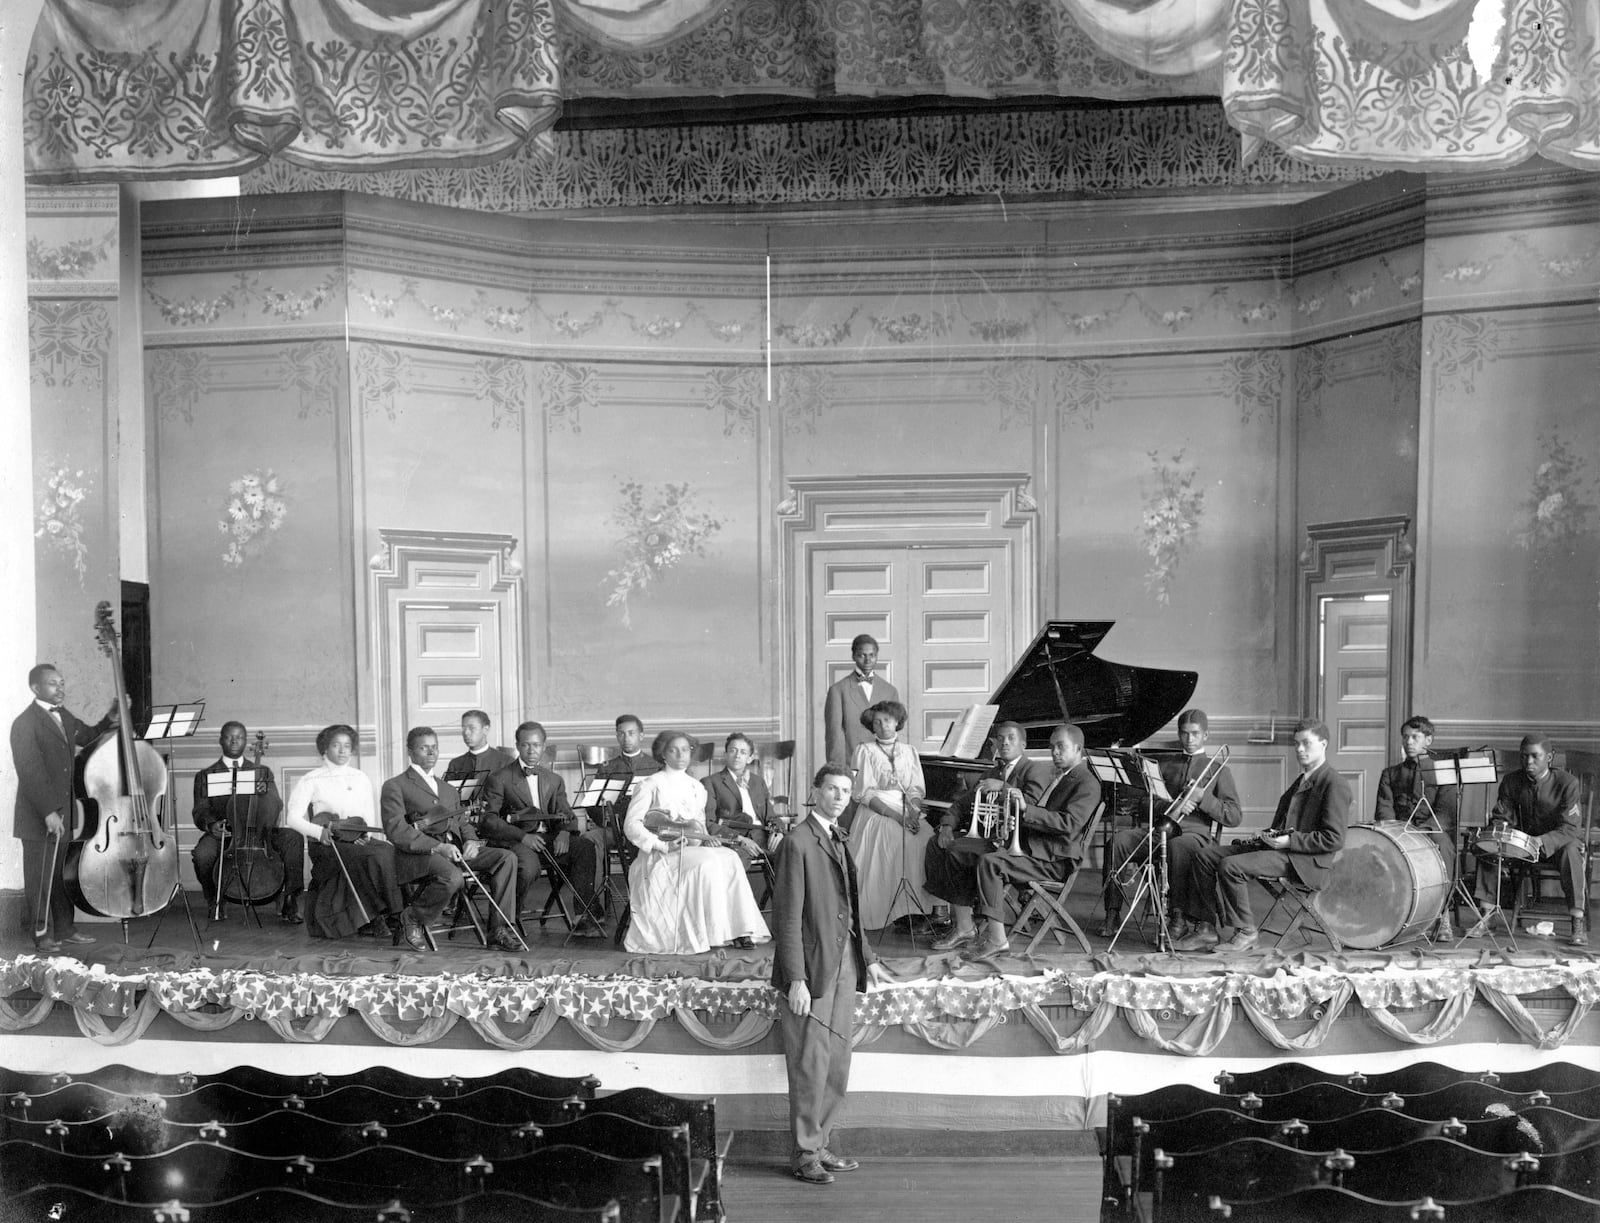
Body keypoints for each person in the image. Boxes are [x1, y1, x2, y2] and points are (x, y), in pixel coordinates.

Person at [771, 763, 891, 1185]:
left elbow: (850, 912)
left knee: (837, 1061)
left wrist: (869, 958)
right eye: (832, 789)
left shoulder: (839, 837)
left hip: (844, 965)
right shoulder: (797, 842)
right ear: (815, 792)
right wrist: (796, 979)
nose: (840, 797)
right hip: (812, 969)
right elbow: (786, 919)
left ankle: (821, 1144)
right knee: (810, 1062)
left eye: (846, 790)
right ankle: (805, 1152)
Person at [1176, 719, 1349, 954]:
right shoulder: (1302, 780)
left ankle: (1246, 932)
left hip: (1306, 862)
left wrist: (1289, 841)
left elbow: (1333, 839)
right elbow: (1287, 824)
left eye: (1306, 743)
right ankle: (1205, 929)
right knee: (1204, 856)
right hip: (1283, 850)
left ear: (1324, 744)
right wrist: (1268, 835)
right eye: (1296, 744)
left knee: (1231, 866)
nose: (1299, 749)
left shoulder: (1334, 783)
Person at [928, 724, 1100, 956]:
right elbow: (1045, 819)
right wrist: (1019, 822)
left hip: (1054, 858)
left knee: (990, 862)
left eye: (1061, 747)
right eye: (1052, 747)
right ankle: (968, 928)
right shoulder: (1064, 777)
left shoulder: (1086, 782)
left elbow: (1068, 824)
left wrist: (1025, 811)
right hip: (1039, 848)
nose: (1055, 752)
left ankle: (997, 941)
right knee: (970, 854)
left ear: (1078, 749)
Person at [622, 730, 769, 955]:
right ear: (663, 754)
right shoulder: (650, 784)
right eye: (674, 749)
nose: (681, 754)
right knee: (707, 863)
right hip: (661, 855)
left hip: (690, 850)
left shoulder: (696, 787)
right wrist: (661, 845)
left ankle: (739, 929)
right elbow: (631, 825)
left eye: (685, 749)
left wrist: (705, 840)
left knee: (729, 857)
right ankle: (708, 933)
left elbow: (698, 825)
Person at [1102, 709, 1241, 942]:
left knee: (1178, 845)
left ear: (1206, 735)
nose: (1189, 739)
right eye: (1184, 733)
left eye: (1195, 734)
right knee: (1118, 842)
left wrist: (1201, 799)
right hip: (1160, 830)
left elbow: (1234, 816)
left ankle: (1177, 918)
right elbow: (1144, 802)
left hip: (1194, 835)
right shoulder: (1164, 766)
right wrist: (1171, 807)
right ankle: (1112, 912)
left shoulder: (1219, 770)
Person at [380, 727, 522, 952]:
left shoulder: (447, 789)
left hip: (454, 851)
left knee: (506, 858)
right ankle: (413, 916)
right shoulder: (395, 785)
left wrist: (471, 841)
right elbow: (396, 830)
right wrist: (437, 847)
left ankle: (499, 930)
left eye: (434, 747)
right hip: (418, 855)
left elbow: (462, 822)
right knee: (452, 876)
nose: (431, 752)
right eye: (423, 747)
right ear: (410, 751)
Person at [10, 663, 114, 954]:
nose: (61, 688)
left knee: (58, 876)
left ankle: (66, 929)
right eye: (54, 684)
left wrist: (110, 718)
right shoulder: (24, 723)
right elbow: (30, 771)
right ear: (36, 688)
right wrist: (48, 812)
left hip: (63, 813)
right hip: (38, 816)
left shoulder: (63, 715)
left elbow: (87, 735)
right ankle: (41, 934)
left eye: (62, 683)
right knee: (40, 878)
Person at [926, 721, 1052, 953]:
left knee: (958, 850)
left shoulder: (1034, 769)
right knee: (938, 844)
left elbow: (1030, 805)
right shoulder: (992, 771)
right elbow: (962, 804)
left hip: (1018, 844)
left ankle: (965, 926)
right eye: (1001, 738)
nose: (1005, 743)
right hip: (990, 838)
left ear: (1023, 744)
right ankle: (961, 924)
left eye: (1011, 738)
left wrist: (1002, 787)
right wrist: (946, 825)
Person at [283, 724, 412, 945]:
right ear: (325, 748)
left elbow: (367, 815)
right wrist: (319, 832)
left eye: (347, 746)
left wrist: (367, 835)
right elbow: (292, 818)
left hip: (357, 837)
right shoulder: (311, 779)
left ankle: (401, 914)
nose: (343, 751)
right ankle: (387, 914)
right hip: (327, 843)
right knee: (375, 857)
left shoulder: (360, 777)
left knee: (389, 851)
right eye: (336, 745)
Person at [480, 721, 602, 936]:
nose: (531, 750)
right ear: (518, 746)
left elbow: (567, 814)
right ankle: (507, 923)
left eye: (536, 745)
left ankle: (583, 918)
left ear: (544, 747)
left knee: (584, 847)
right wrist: (522, 836)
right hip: (516, 841)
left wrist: (564, 832)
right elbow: (488, 820)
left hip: (548, 839)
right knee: (528, 867)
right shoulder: (499, 778)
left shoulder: (553, 779)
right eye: (526, 745)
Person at [1467, 733, 1586, 947]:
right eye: (1524, 757)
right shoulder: (1512, 781)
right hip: (1521, 845)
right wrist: (1500, 832)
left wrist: (1543, 841)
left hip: (1556, 843)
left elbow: (1570, 827)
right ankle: (1487, 915)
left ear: (1549, 757)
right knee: (1488, 847)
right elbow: (1502, 816)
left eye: (1535, 756)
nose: (1528, 762)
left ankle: (1577, 920)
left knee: (1571, 850)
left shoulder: (1567, 783)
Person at [191, 720, 306, 925]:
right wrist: (211, 825)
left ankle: (289, 898)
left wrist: (265, 795)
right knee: (202, 854)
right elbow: (200, 809)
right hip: (225, 833)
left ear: (246, 742)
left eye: (240, 737)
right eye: (229, 736)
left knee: (293, 838)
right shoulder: (206, 775)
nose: (235, 741)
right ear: (221, 740)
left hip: (259, 832)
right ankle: (214, 900)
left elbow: (276, 805)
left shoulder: (262, 772)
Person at [846, 700, 931, 931]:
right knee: (894, 838)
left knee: (925, 838)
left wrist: (913, 809)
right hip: (877, 808)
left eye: (888, 720)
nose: (883, 725)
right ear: (872, 727)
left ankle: (917, 911)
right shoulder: (865, 751)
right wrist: (897, 817)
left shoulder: (910, 751)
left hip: (905, 807)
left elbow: (915, 788)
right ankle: (890, 912)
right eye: (877, 722)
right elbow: (863, 792)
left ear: (897, 722)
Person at [1374, 714, 1459, 940]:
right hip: (1398, 831)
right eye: (1405, 737)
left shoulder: (1443, 772)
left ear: (1428, 740)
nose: (1409, 742)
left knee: (1445, 849)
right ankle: (1389, 914)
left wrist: (1422, 832)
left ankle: (1442, 915)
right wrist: (1394, 831)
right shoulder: (1390, 774)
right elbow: (1385, 808)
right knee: (1377, 848)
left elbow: (1446, 813)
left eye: (1415, 737)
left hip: (1431, 832)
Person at [823, 635, 900, 765]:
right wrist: (838, 770)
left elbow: (894, 734)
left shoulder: (890, 691)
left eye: (872, 655)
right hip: (852, 763)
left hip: (883, 764)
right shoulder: (838, 690)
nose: (868, 660)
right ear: (853, 656)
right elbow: (834, 735)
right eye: (862, 655)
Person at [702, 731, 774, 869]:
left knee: (792, 850)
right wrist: (738, 839)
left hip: (763, 836)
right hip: (735, 839)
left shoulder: (758, 782)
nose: (737, 755)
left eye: (743, 752)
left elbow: (771, 816)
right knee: (733, 862)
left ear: (750, 758)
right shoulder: (711, 782)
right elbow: (709, 823)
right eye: (732, 751)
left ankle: (774, 892)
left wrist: (778, 832)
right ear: (725, 755)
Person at [442, 709, 515, 795]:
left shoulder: (506, 762)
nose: (466, 733)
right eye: (463, 728)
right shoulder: (456, 764)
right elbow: (447, 798)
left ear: (486, 729)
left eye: (472, 728)